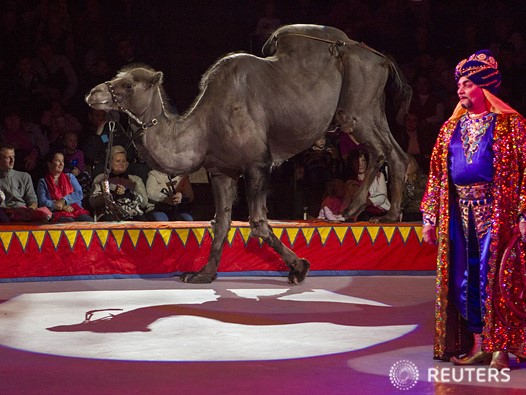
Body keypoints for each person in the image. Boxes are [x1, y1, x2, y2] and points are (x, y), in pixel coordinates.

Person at [421, 49, 526, 370]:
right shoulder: (449, 129)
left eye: (467, 84)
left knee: (498, 278)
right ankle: (480, 344)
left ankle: (501, 349)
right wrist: (429, 217)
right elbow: (438, 174)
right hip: (459, 215)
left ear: (484, 88)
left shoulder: (512, 125)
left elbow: (525, 170)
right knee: (464, 279)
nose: (460, 90)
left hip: (498, 212)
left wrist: (523, 213)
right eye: (459, 85)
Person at [89, 145, 149, 221]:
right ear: (110, 163)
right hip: (109, 215)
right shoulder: (101, 179)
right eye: (118, 161)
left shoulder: (135, 180)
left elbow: (144, 203)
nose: (121, 163)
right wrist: (109, 195)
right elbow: (93, 203)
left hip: (132, 215)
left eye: (124, 161)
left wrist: (128, 193)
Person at [37, 150, 92, 222]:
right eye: (58, 161)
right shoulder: (43, 182)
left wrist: (64, 201)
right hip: (57, 212)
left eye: (62, 161)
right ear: (49, 164)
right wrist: (61, 206)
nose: (61, 164)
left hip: (76, 210)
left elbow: (79, 193)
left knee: (87, 221)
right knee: (67, 222)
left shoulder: (70, 177)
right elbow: (43, 202)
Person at [0, 144, 52, 222]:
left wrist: (29, 210)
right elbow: (2, 205)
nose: (12, 160)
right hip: (7, 212)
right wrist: (14, 211)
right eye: (8, 157)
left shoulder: (24, 176)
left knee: (45, 215)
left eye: (13, 157)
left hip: (25, 210)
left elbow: (32, 199)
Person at [342, 149, 390, 221]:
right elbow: (346, 202)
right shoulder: (350, 183)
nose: (360, 164)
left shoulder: (377, 176)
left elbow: (382, 197)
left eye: (363, 161)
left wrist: (366, 202)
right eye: (357, 161)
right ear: (352, 164)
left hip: (380, 209)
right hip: (361, 213)